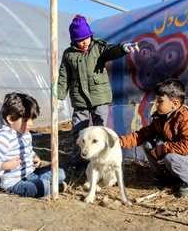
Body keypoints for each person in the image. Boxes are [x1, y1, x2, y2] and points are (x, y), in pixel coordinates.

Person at [57, 15, 139, 169]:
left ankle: (102, 159)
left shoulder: (98, 47)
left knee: (100, 129)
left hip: (99, 97)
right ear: (74, 40)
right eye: (81, 39)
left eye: (87, 37)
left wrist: (122, 48)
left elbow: (110, 51)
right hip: (79, 98)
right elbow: (63, 76)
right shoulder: (68, 54)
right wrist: (59, 97)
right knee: (78, 130)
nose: (85, 41)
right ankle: (79, 160)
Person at [119, 79, 188, 196]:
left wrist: (162, 149)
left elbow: (187, 147)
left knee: (170, 158)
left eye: (160, 101)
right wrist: (119, 142)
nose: (156, 104)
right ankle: (165, 178)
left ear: (174, 104)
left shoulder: (186, 118)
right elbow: (142, 134)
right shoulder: (161, 118)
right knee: (147, 144)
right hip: (176, 154)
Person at [0, 92, 67, 198]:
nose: (31, 124)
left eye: (32, 119)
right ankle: (48, 187)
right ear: (10, 119)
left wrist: (34, 157)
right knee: (38, 187)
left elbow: (28, 150)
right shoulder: (3, 139)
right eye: (26, 120)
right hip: (15, 183)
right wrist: (5, 165)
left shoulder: (26, 134)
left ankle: (46, 186)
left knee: (60, 172)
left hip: (31, 174)